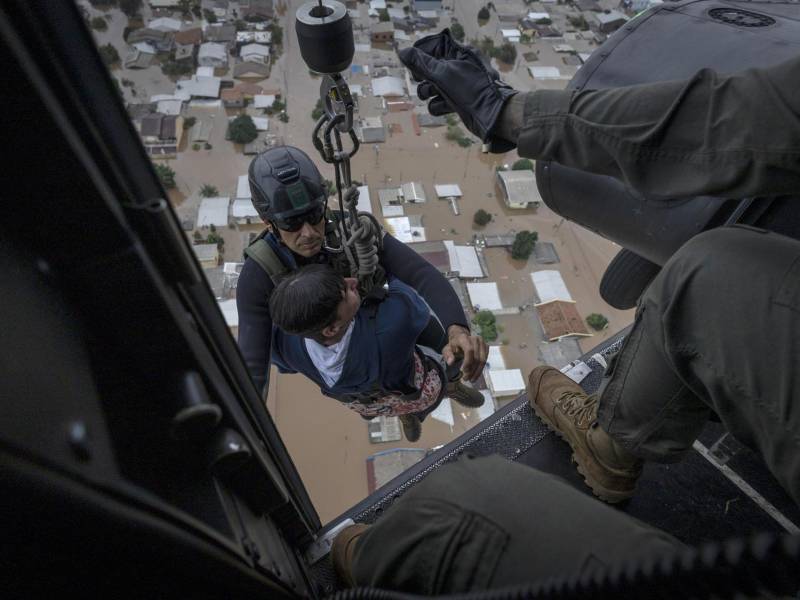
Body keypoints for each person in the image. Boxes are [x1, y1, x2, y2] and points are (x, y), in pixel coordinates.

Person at [321, 32, 800, 595]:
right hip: (400, 384)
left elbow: (740, 121)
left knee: (458, 512)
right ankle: (611, 443)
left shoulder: (374, 319)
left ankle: (380, 560)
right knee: (712, 271)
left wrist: (508, 112)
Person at [236, 145, 488, 407]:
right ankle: (408, 410)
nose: (309, 232)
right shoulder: (260, 273)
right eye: (292, 223)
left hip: (366, 308)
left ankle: (452, 383)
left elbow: (419, 272)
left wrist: (457, 329)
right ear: (269, 223)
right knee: (370, 391)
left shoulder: (352, 229)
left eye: (314, 215)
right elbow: (254, 362)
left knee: (434, 334)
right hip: (328, 342)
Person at [268, 265, 484, 441]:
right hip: (414, 386)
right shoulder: (390, 323)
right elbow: (406, 285)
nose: (352, 282)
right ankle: (450, 386)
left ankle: (407, 415)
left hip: (370, 403)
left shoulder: (286, 346)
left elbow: (274, 355)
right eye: (345, 292)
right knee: (444, 349)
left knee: (391, 399)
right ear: (332, 328)